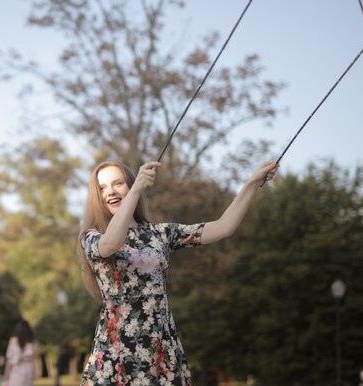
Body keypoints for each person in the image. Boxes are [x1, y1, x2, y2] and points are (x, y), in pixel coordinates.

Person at [77, 160, 278, 386]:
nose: (110, 192)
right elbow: (112, 243)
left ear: (130, 185)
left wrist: (251, 184)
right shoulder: (92, 237)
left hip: (161, 344)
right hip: (118, 349)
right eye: (102, 188)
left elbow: (223, 226)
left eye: (118, 183)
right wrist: (136, 190)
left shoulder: (160, 234)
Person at [3, 320, 37, 386]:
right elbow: (34, 358)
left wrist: (6, 374)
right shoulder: (33, 342)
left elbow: (9, 360)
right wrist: (35, 372)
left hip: (17, 369)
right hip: (29, 369)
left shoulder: (13, 341)